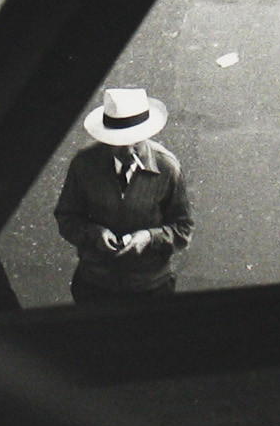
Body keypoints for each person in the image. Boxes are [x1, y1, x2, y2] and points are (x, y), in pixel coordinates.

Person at [55, 88, 193, 304]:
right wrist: (95, 234)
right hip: (94, 286)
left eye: (136, 142)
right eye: (119, 143)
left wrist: (149, 238)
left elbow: (183, 229)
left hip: (151, 289)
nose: (129, 151)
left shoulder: (167, 168)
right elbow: (66, 218)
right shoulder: (83, 164)